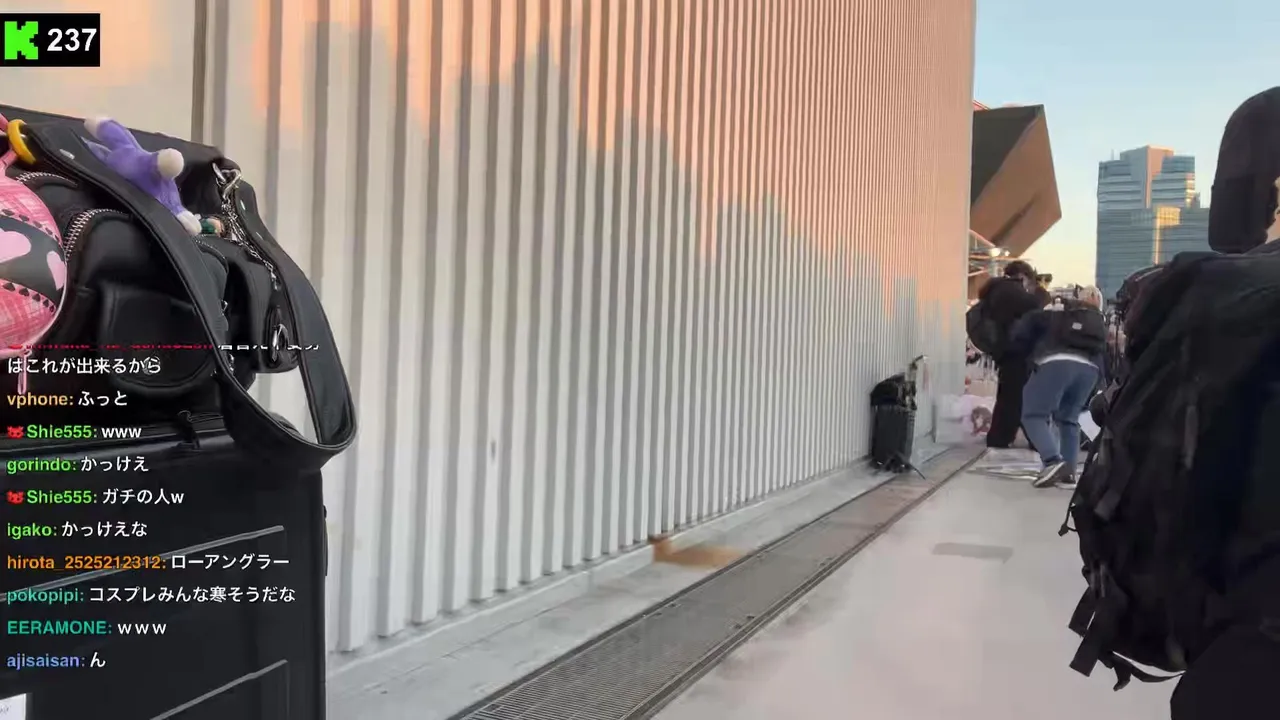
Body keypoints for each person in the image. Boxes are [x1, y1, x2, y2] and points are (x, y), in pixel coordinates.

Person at [1008, 285, 1106, 488]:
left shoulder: (1055, 312)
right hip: (1089, 369)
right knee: (1069, 419)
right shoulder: (1096, 323)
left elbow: (1022, 333)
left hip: (1055, 362)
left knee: (1033, 414)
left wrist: (1025, 356)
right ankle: (1068, 471)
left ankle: (1052, 461)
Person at [976, 260, 1042, 448]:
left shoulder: (998, 290)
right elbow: (1034, 304)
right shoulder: (1010, 291)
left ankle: (1002, 437)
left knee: (1009, 396)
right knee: (1017, 397)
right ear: (1022, 276)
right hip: (1015, 351)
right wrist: (1040, 293)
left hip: (1007, 351)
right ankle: (1009, 438)